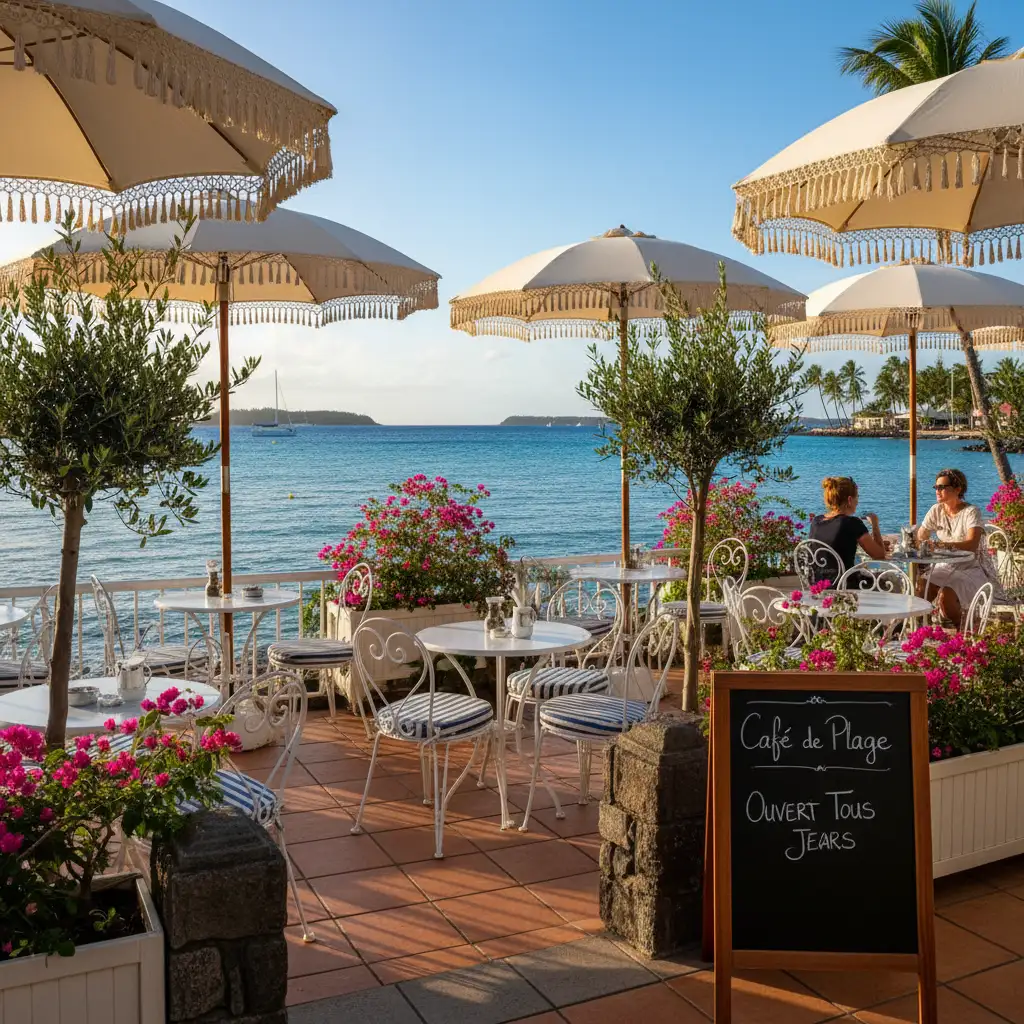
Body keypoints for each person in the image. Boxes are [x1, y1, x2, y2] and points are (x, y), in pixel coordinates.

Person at [916, 468, 1002, 627]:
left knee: (946, 597)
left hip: (970, 568)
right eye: (936, 487)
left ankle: (962, 634)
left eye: (942, 487)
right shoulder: (936, 510)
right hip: (944, 566)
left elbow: (971, 545)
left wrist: (942, 545)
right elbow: (921, 536)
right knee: (922, 588)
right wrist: (921, 540)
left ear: (958, 489)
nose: (938, 491)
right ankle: (919, 630)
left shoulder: (971, 512)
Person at [808, 476, 888, 580]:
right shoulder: (852, 523)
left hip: (818, 585)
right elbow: (879, 555)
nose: (857, 502)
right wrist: (875, 524)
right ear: (850, 499)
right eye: (857, 497)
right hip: (844, 586)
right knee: (889, 579)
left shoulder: (816, 521)